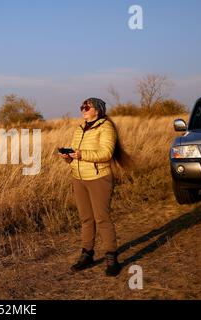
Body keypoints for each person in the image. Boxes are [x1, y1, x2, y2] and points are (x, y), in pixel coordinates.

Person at [57, 98, 131, 277]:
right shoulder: (79, 128)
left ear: (97, 110)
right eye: (82, 106)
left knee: (102, 218)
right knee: (86, 219)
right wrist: (68, 157)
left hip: (99, 178)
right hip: (79, 178)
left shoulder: (106, 127)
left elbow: (106, 154)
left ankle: (112, 258)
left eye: (86, 107)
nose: (83, 109)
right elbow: (76, 153)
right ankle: (87, 254)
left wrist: (82, 155)